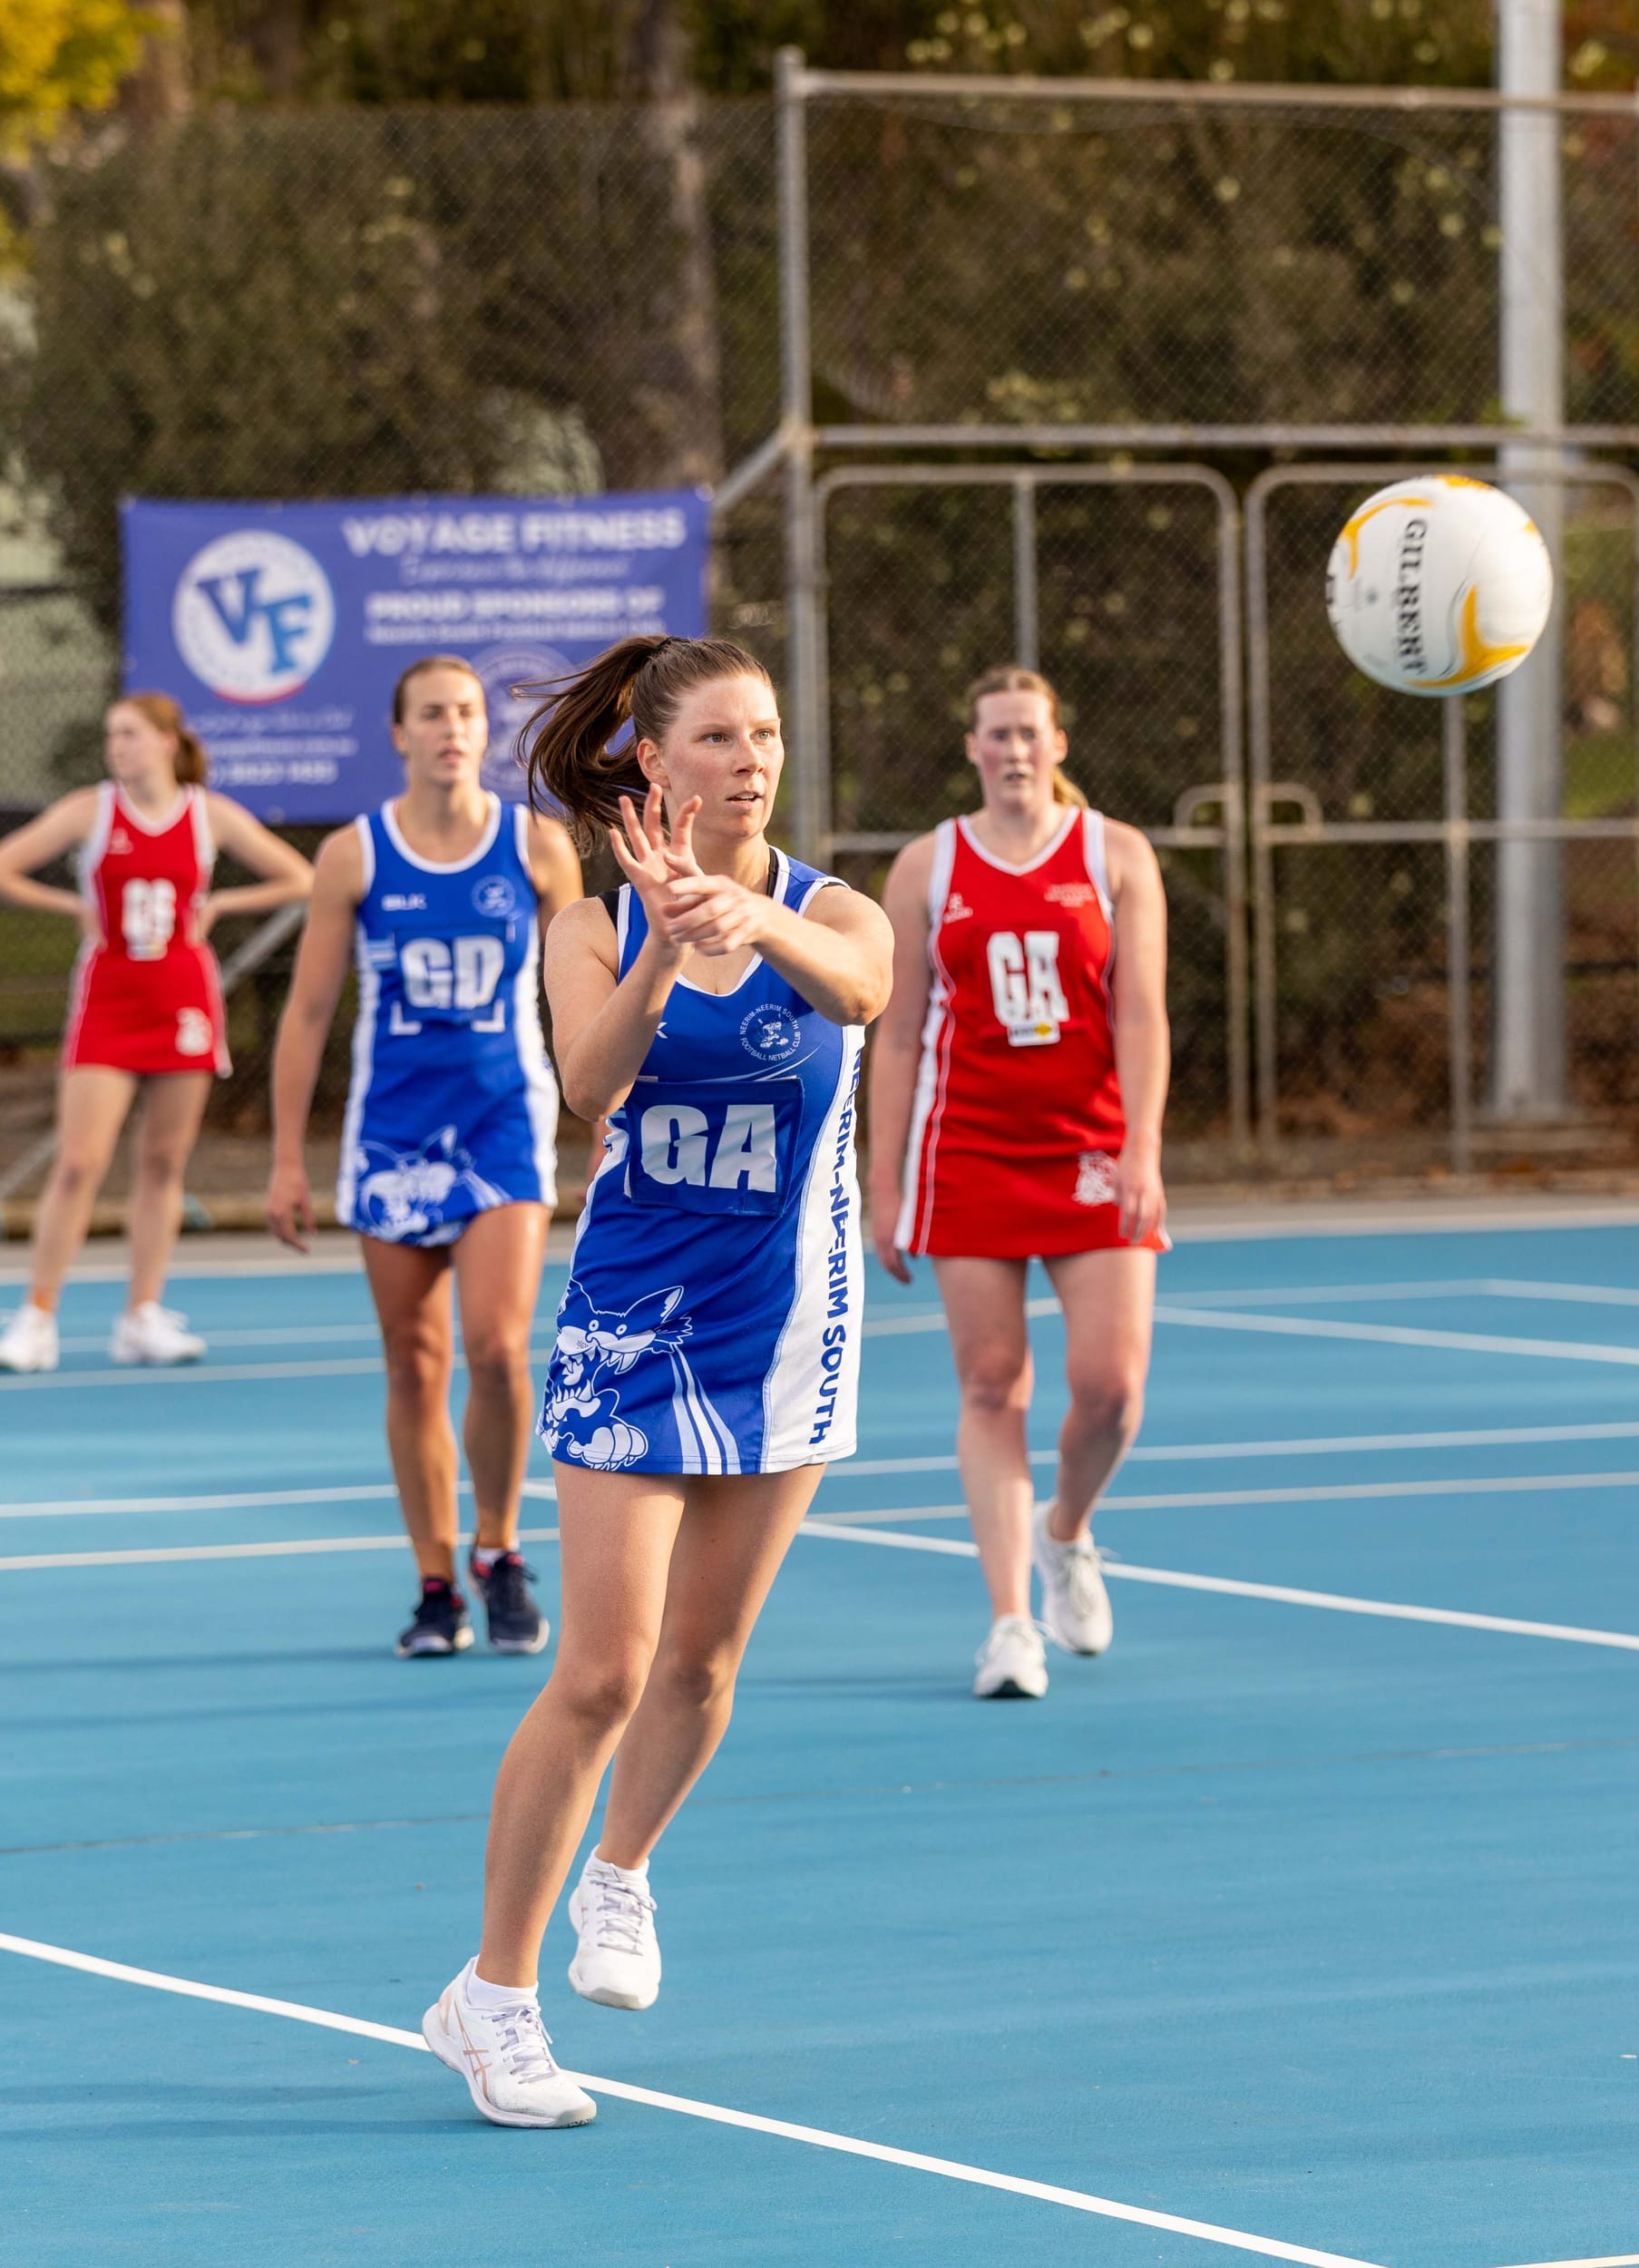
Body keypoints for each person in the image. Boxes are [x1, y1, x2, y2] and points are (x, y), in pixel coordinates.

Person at [422, 632, 891, 2130]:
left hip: (788, 1330)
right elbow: (591, 1083)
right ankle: (492, 2001)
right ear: (654, 761)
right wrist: (674, 947)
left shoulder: (835, 909)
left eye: (767, 736)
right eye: (720, 739)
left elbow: (862, 992)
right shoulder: (592, 924)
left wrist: (753, 915)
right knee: (606, 1670)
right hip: (632, 1328)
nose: (751, 762)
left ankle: (618, 1873)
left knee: (702, 1664)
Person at [265, 658, 582, 1658]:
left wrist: (606, 1111)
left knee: (495, 1347)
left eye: (467, 712)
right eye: (432, 713)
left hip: (502, 1123)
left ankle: (500, 1548)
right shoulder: (354, 854)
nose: (452, 727)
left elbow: (581, 996)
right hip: (393, 1132)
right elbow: (308, 1012)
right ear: (399, 734)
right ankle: (435, 1580)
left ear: (485, 731)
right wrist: (286, 1158)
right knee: (413, 1360)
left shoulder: (536, 845)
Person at [866, 665, 1170, 1702]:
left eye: (1028, 732)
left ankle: (1065, 1532)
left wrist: (1142, 1148)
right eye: (995, 733)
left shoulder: (1114, 855)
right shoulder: (927, 866)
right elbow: (896, 1035)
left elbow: (1140, 1013)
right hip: (969, 1150)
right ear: (971, 747)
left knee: (1111, 1388)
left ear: (1057, 744)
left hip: (1089, 1149)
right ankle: (1007, 1625)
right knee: (992, 1382)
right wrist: (882, 1180)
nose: (1012, 750)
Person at [0, 693, 311, 1372]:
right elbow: (5, 865)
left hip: (182, 1001)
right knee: (79, 1161)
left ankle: (141, 1314)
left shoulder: (206, 814)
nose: (118, 746)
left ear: (168, 742)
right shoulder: (91, 810)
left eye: (131, 734)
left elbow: (300, 876)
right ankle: (37, 1316)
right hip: (109, 999)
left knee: (164, 1163)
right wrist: (72, 906)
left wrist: (222, 902)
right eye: (112, 734)